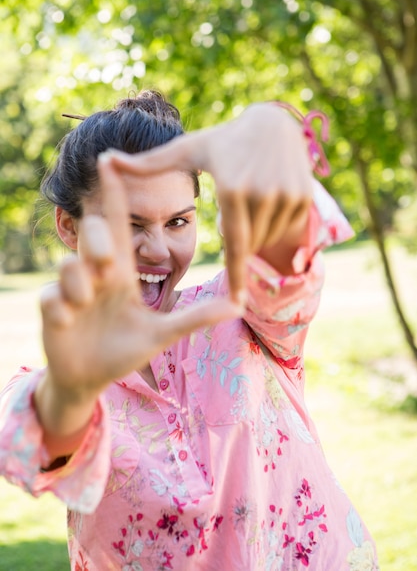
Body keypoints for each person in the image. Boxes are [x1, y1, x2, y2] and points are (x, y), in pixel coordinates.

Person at [0, 90, 379, 570]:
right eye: (129, 223)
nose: (157, 250)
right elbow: (40, 444)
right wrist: (74, 388)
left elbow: (285, 255)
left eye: (178, 221)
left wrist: (264, 159)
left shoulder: (242, 310)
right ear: (69, 227)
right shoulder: (59, 381)